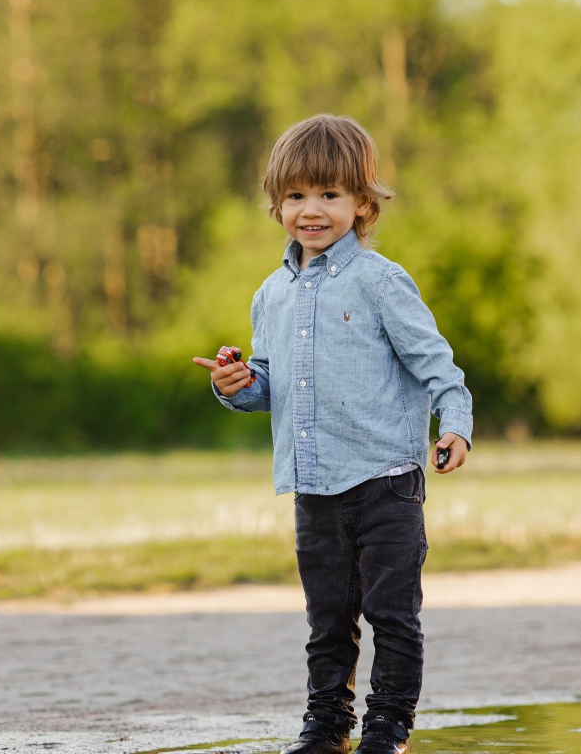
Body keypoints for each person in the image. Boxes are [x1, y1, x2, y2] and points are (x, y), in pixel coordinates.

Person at [192, 114, 474, 754]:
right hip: (313, 486)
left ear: (363, 204)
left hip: (385, 483)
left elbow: (436, 364)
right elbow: (270, 385)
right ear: (276, 205)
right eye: (295, 196)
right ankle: (325, 728)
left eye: (329, 195)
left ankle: (387, 730)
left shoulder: (379, 281)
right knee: (327, 622)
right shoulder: (272, 295)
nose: (310, 210)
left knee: (392, 617)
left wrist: (454, 424)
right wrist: (236, 383)